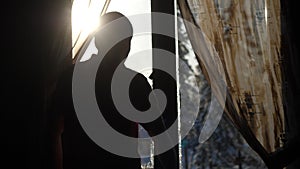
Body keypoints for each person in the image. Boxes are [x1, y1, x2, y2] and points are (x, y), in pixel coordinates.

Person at [49, 12, 169, 169]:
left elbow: (53, 131)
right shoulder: (134, 84)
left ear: (97, 40)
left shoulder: (71, 77)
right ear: (127, 45)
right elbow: (161, 138)